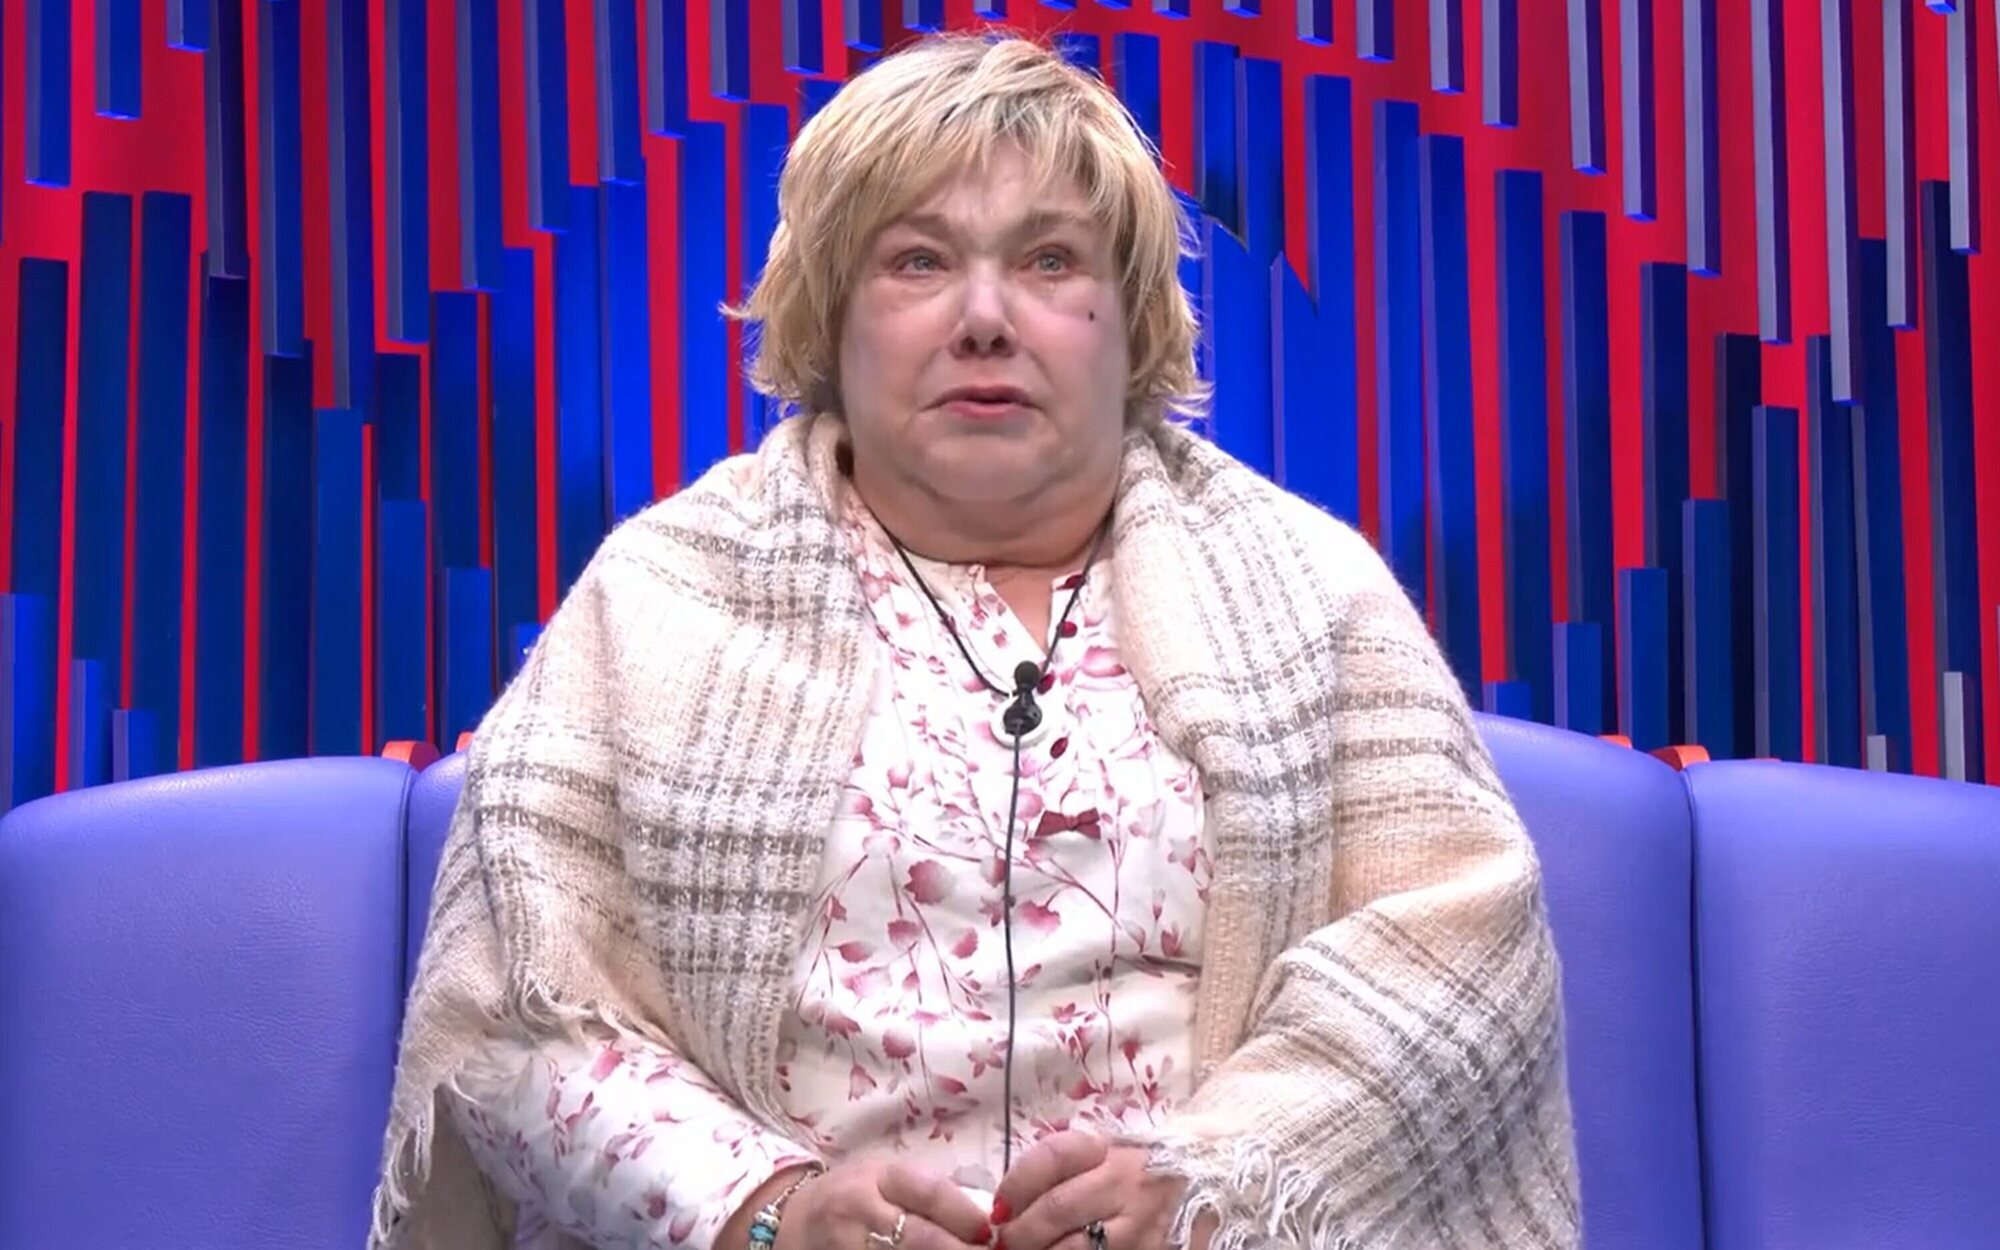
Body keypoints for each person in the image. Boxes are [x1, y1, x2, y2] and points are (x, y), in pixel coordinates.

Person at [371, 31, 1579, 1250]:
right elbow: (515, 1014)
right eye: (918, 260)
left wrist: (1218, 1185)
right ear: (830, 320)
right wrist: (761, 1210)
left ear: (1130, 321)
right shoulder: (659, 596)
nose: (985, 318)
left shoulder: (1311, 592)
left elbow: (1457, 955)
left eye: (1049, 259)